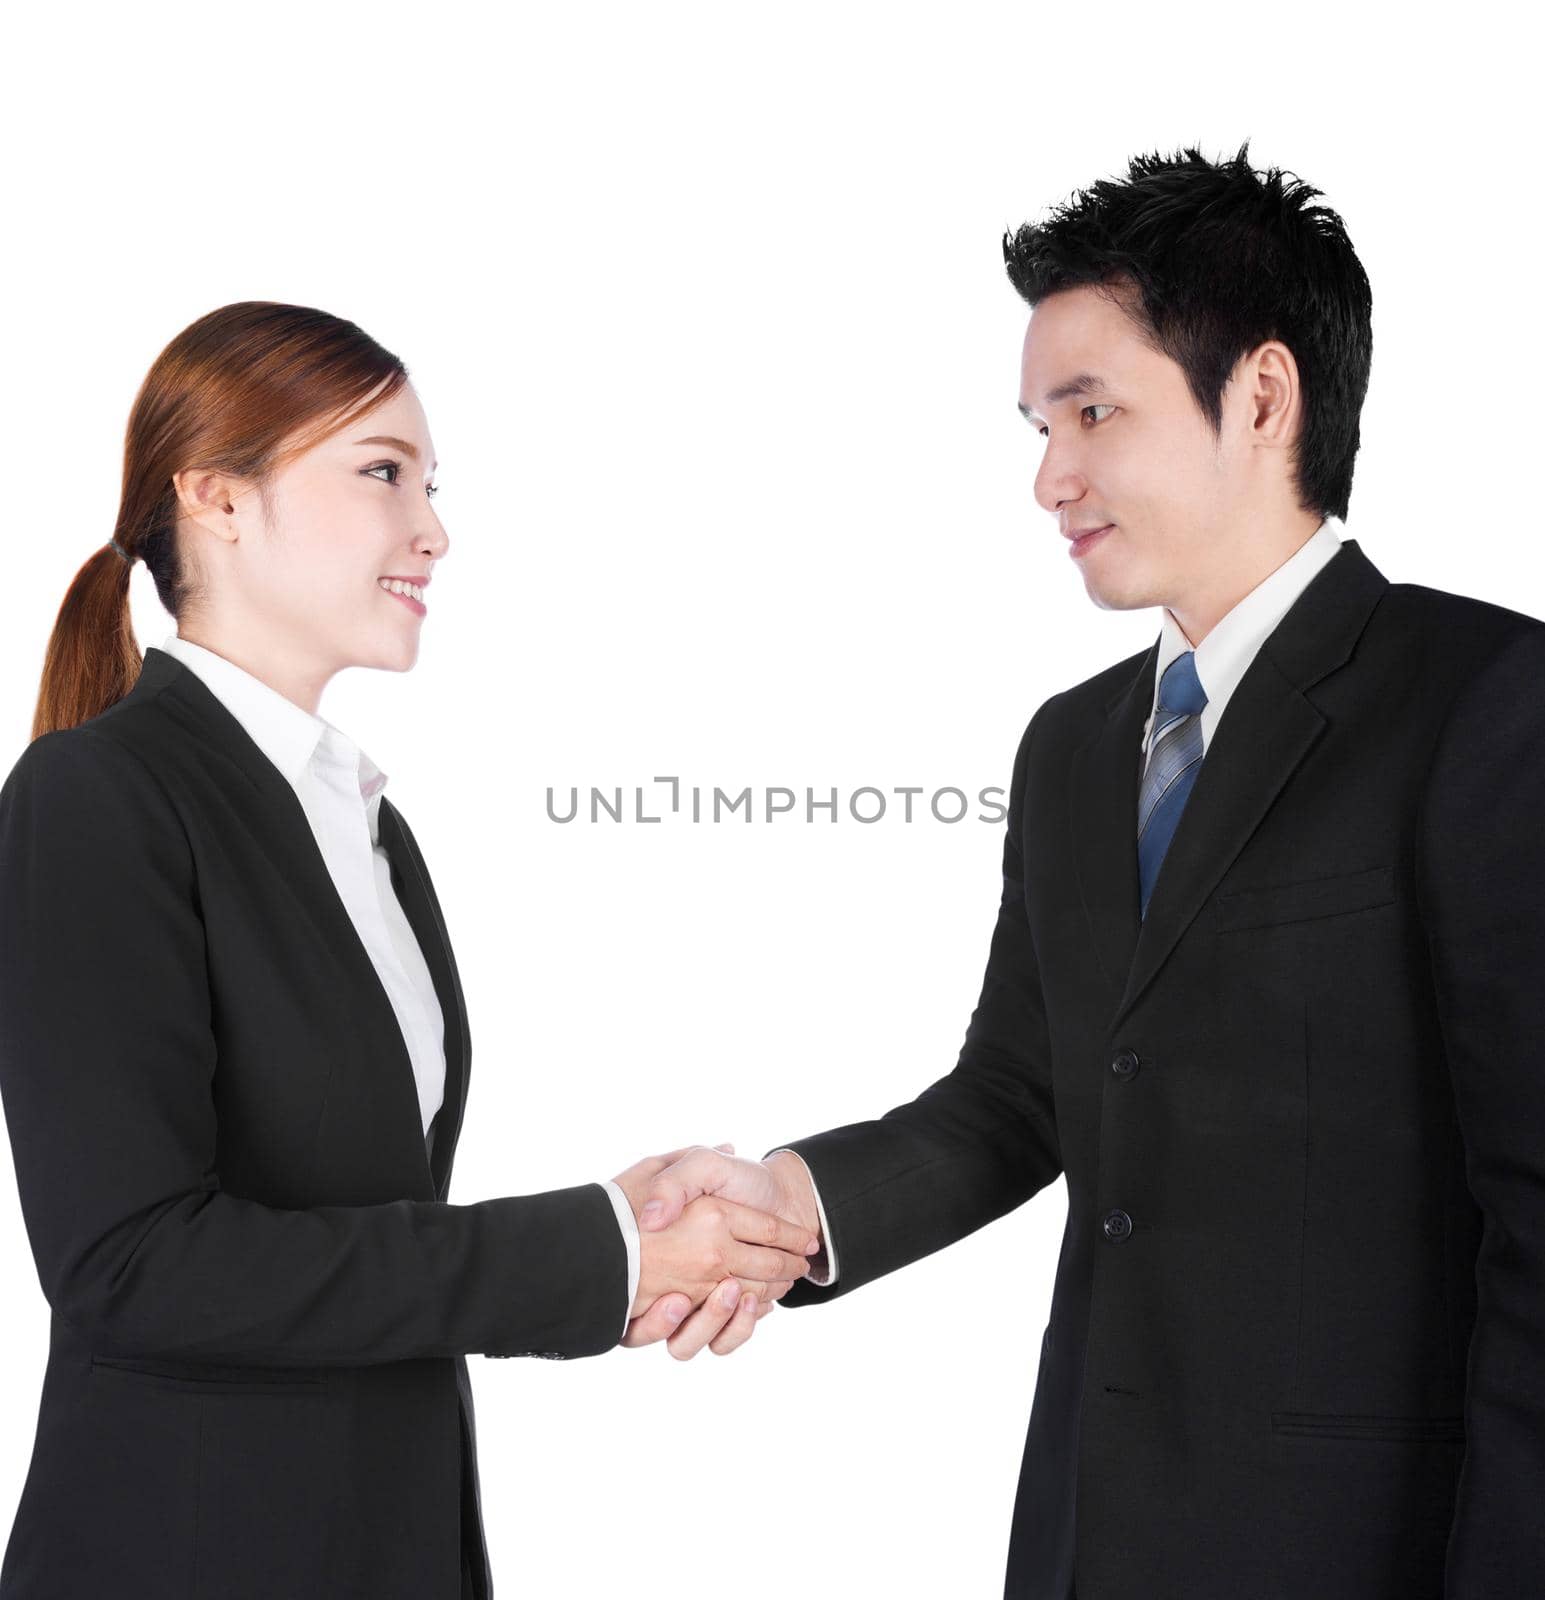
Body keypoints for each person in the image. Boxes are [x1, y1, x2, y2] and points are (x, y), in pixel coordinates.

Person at [632, 141, 1545, 1596]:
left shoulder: (1484, 701)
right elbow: (1020, 1092)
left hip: (1362, 1547)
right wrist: (794, 1207)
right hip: (1090, 1531)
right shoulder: (1073, 745)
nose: (1048, 476)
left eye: (1091, 412)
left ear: (1259, 395)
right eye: (1035, 423)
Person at [0, 301, 821, 1600]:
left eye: (427, 484)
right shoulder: (95, 796)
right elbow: (131, 1265)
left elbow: (365, 1232)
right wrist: (596, 1253)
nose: (430, 529)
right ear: (215, 497)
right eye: (381, 473)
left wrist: (638, 1223)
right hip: (186, 1553)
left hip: (390, 1541)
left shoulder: (369, 829)